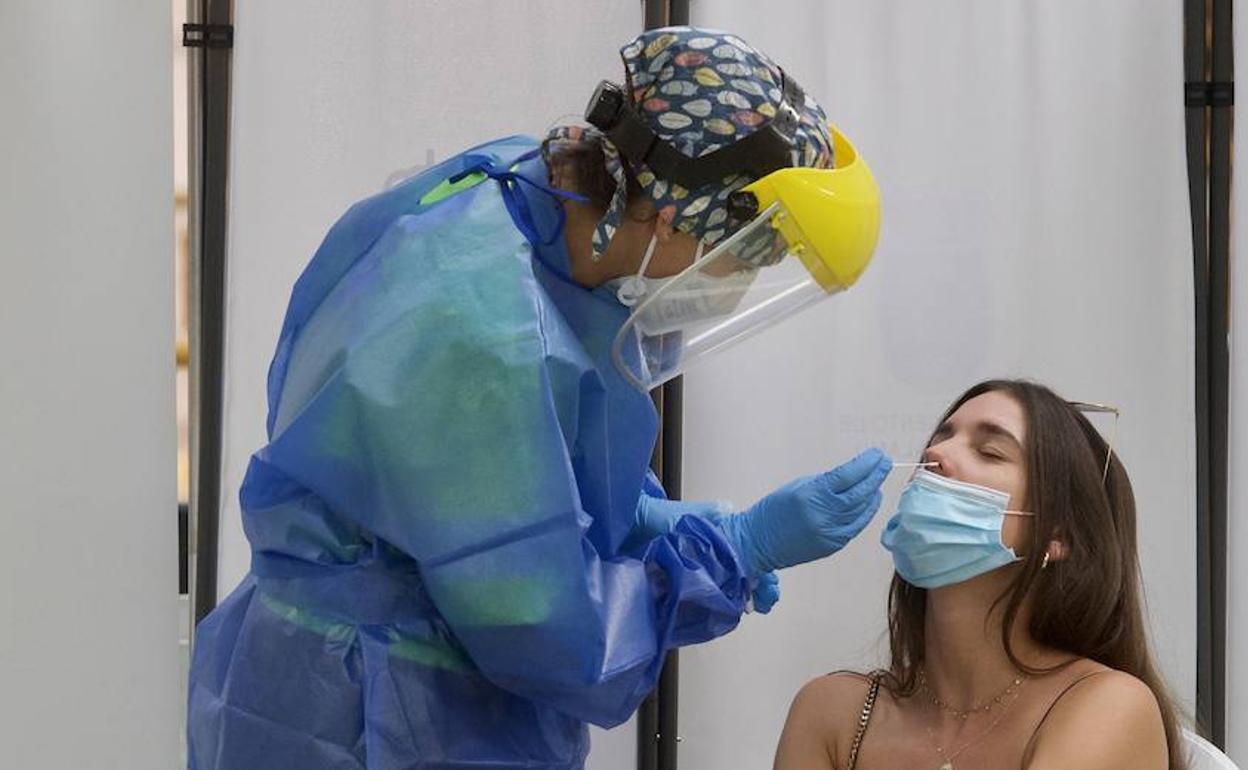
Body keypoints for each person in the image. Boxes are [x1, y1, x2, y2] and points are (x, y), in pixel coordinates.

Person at [187, 26, 890, 770]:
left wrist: (642, 517)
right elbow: (548, 632)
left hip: (361, 673)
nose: (734, 281)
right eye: (741, 255)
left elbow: (478, 466)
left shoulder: (525, 191)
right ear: (670, 214)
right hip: (367, 713)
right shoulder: (479, 332)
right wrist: (736, 552)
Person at [774, 380, 1187, 770]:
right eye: (941, 437)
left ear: (1057, 535)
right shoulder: (832, 712)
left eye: (989, 452)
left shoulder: (1105, 705)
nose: (935, 454)